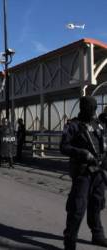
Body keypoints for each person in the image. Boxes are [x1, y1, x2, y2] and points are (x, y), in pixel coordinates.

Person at [60, 96, 107, 250]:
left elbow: (102, 146)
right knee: (77, 207)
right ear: (84, 108)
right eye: (91, 109)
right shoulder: (73, 126)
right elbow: (63, 147)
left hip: (98, 172)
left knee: (97, 204)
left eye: (94, 109)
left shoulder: (98, 125)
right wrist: (82, 153)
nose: (93, 112)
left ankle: (97, 235)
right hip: (82, 172)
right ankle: (70, 240)